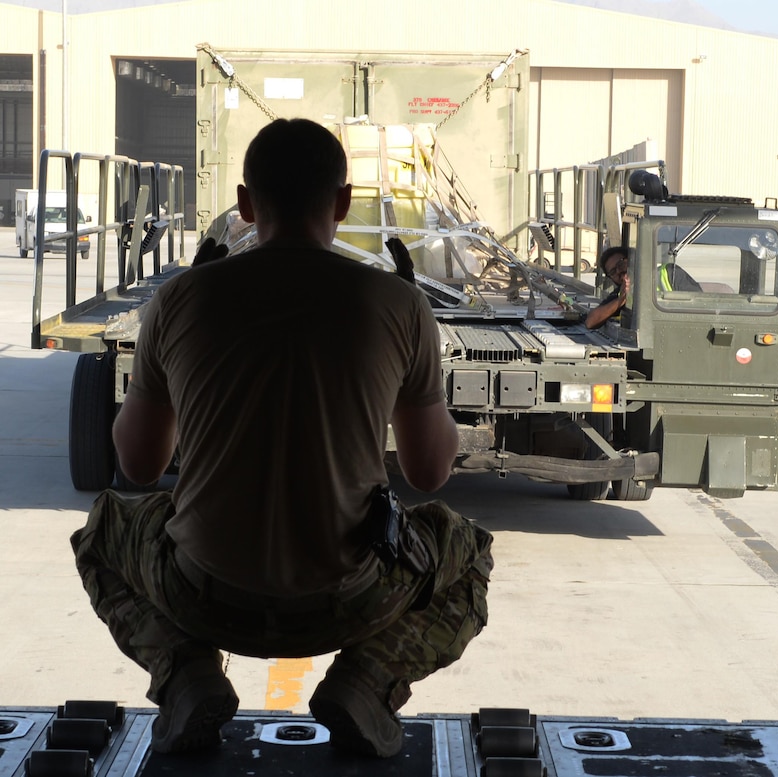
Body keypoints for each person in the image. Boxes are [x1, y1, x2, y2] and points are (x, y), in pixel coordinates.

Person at [69, 118, 493, 759]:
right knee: (467, 551)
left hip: (204, 594)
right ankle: (366, 681)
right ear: (343, 204)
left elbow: (137, 463)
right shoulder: (397, 305)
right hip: (349, 599)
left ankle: (186, 677)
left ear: (244, 204)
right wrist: (415, 348)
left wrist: (174, 346)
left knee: (104, 532)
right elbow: (430, 471)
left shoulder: (181, 301)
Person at [585, 245, 630, 329]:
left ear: (630, 260)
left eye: (620, 264)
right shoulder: (620, 292)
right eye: (613, 272)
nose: (618, 271)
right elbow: (590, 322)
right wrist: (621, 299)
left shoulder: (654, 278)